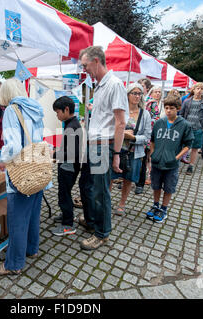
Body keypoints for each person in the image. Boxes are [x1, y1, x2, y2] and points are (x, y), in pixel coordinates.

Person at [0, 78, 48, 275]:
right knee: (32, 214)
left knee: (18, 220)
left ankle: (13, 264)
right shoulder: (36, 108)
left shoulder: (11, 111)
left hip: (21, 173)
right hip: (38, 169)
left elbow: (14, 146)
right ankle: (31, 249)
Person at [78, 46, 128, 250]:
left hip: (103, 147)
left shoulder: (114, 84)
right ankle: (92, 221)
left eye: (85, 65)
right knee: (90, 187)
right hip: (95, 146)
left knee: (100, 192)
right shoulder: (99, 86)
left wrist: (116, 153)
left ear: (96, 61)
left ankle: (102, 233)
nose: (84, 69)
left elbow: (120, 123)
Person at [145, 95, 193, 223]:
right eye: (166, 108)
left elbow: (188, 144)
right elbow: (153, 140)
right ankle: (155, 204)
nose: (168, 111)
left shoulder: (184, 125)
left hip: (171, 164)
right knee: (156, 185)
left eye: (172, 108)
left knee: (168, 187)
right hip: (157, 162)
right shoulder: (159, 123)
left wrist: (176, 157)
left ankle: (164, 209)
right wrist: (153, 153)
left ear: (178, 108)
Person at [110, 83, 151, 215]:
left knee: (128, 178)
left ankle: (122, 204)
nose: (137, 96)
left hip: (134, 152)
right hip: (116, 149)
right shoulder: (119, 110)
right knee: (110, 176)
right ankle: (107, 200)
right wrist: (121, 133)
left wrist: (133, 138)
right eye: (134, 93)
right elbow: (110, 128)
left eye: (139, 93)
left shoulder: (145, 114)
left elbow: (147, 137)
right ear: (127, 95)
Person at [51, 96, 82, 236]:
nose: (57, 115)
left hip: (69, 168)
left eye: (58, 112)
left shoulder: (72, 126)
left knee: (64, 195)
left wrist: (54, 154)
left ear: (66, 109)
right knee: (64, 193)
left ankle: (68, 224)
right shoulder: (71, 123)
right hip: (67, 166)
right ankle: (66, 215)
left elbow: (72, 153)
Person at [179, 82, 203, 175]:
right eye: (198, 88)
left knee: (195, 148)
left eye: (201, 89)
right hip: (186, 128)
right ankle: (177, 163)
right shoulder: (187, 101)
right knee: (182, 146)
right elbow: (181, 114)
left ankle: (191, 165)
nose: (199, 91)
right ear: (193, 90)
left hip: (198, 128)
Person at [135, 85, 162, 194]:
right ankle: (125, 180)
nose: (157, 94)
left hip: (145, 134)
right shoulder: (135, 101)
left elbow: (156, 117)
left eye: (159, 92)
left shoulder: (153, 103)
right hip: (133, 133)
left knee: (143, 159)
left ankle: (139, 184)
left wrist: (145, 123)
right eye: (156, 91)